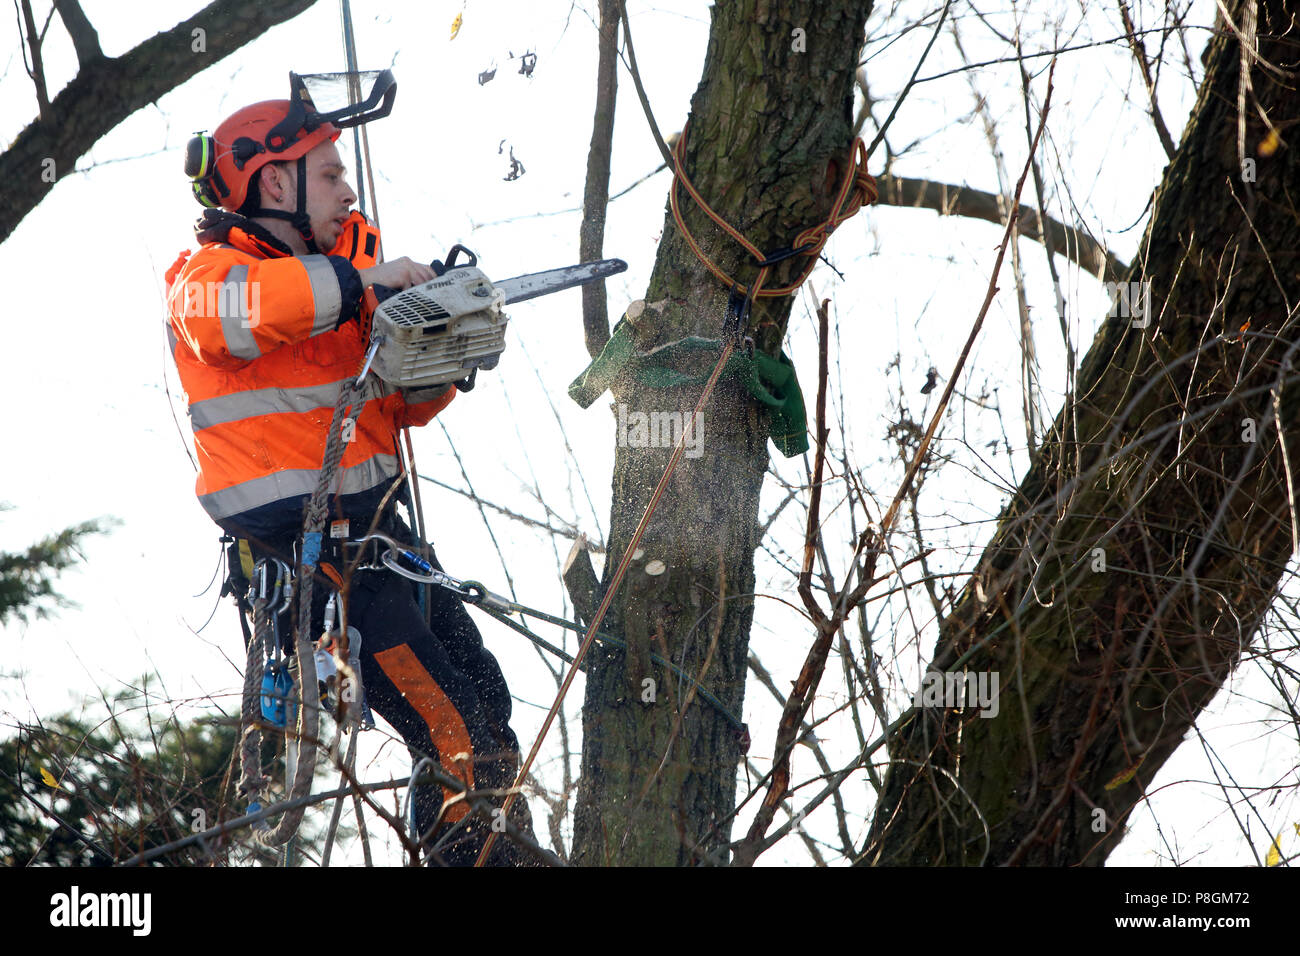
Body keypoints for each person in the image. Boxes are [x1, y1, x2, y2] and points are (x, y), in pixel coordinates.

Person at [163, 77, 537, 865]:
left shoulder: (338, 291)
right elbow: (251, 311)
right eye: (329, 173)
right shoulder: (206, 280)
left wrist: (438, 353)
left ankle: (494, 840)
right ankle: (477, 856)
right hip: (314, 567)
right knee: (450, 728)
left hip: (381, 539)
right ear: (274, 181)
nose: (347, 189)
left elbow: (389, 413)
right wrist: (367, 282)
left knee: (485, 700)